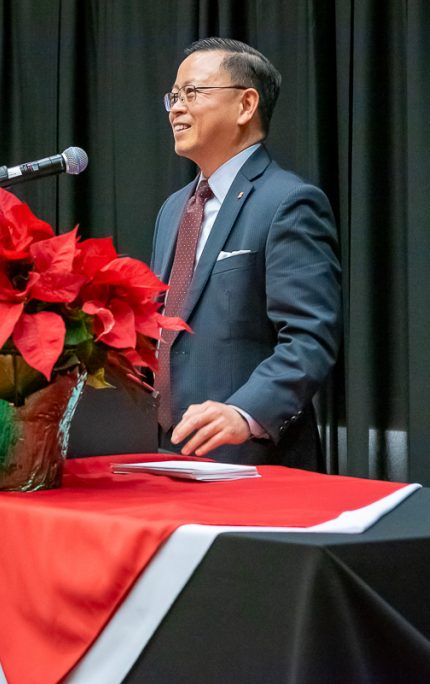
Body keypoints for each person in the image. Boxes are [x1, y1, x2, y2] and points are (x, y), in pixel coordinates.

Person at [151, 37, 341, 470]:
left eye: (192, 93)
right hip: (161, 457)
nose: (176, 108)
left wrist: (245, 412)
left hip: (253, 461)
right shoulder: (173, 209)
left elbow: (310, 337)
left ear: (245, 104)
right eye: (173, 97)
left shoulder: (288, 202)